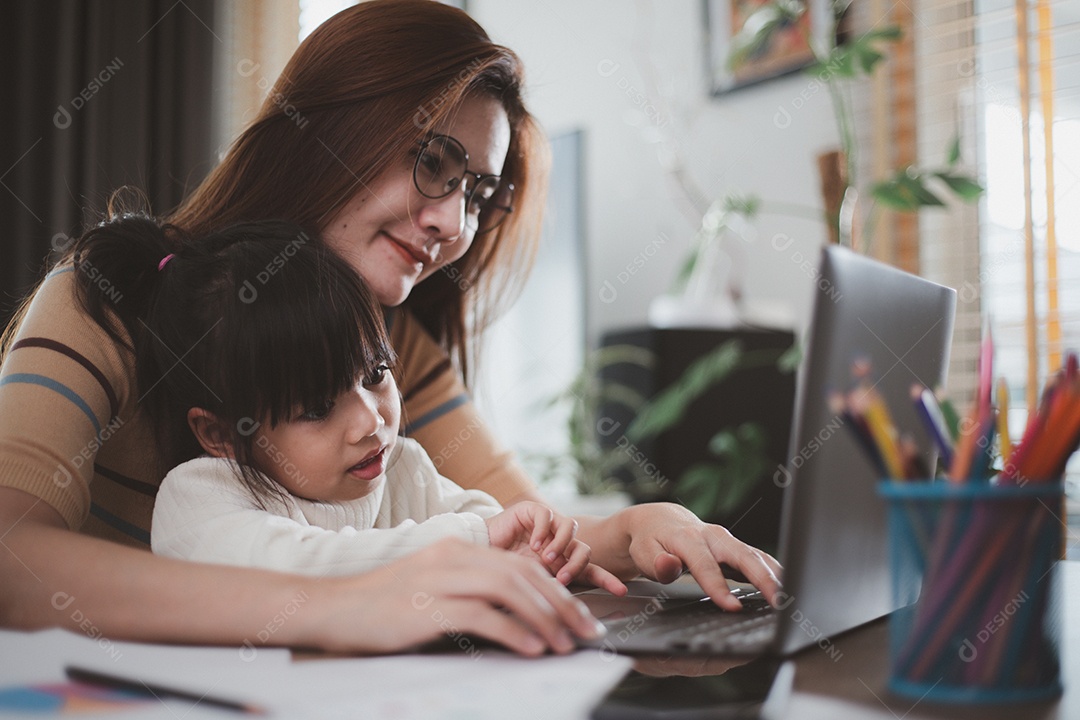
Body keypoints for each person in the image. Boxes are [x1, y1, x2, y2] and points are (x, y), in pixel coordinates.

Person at [0, 0, 779, 654]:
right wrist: (354, 604)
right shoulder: (106, 296)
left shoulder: (395, 345)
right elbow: (11, 559)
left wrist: (636, 528)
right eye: (435, 162)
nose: (453, 223)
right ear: (325, 129)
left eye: (476, 192)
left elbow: (514, 527)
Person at [74, 213, 623, 591]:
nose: (371, 420)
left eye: (376, 373)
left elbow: (487, 526)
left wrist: (538, 553)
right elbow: (287, 567)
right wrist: (474, 541)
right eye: (315, 408)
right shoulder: (201, 498)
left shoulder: (405, 472)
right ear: (220, 434)